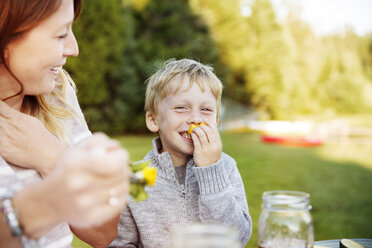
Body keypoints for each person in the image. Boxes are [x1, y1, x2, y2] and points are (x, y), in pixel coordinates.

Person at [0, 0, 129, 247]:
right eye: (60, 34)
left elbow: (104, 233)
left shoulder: (54, 92)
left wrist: (52, 157)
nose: (73, 48)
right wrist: (48, 200)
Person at [109, 58, 252, 248]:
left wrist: (211, 172)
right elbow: (121, 243)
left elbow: (238, 238)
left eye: (206, 109)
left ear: (216, 121)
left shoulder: (225, 168)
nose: (195, 119)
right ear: (153, 120)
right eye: (181, 108)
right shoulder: (137, 178)